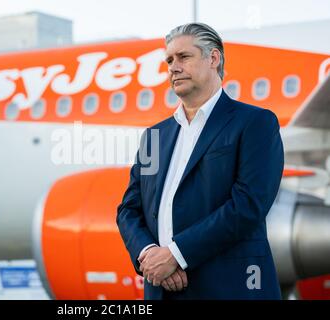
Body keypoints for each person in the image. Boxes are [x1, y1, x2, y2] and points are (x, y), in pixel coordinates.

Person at [116, 22, 284, 300]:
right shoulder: (154, 137)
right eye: (169, 60)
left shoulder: (255, 122)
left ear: (213, 58)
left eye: (184, 57)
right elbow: (129, 210)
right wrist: (150, 256)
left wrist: (176, 255)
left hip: (231, 290)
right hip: (162, 290)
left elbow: (248, 206)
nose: (173, 67)